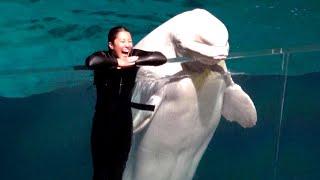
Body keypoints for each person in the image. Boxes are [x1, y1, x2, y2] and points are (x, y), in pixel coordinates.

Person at [85, 26, 167, 180]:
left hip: (124, 122)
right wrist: (117, 62)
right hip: (103, 122)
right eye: (122, 41)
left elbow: (160, 58)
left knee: (119, 168)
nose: (128, 45)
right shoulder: (103, 56)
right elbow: (91, 62)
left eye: (130, 41)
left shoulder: (133, 55)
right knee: (101, 171)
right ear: (111, 45)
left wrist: (134, 60)